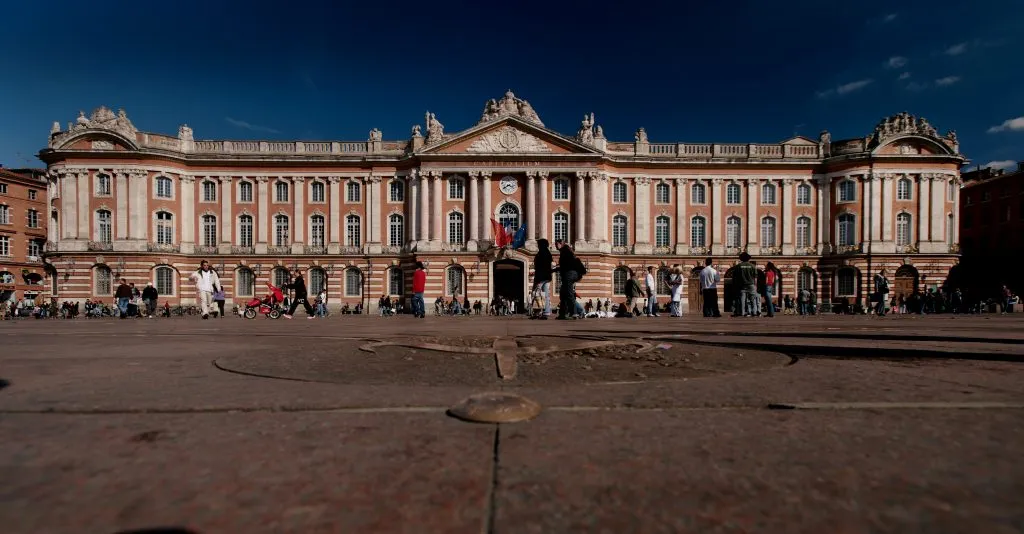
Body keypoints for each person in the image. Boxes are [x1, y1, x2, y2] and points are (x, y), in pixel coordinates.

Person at [554, 239, 585, 320]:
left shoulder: (565, 251)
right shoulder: (566, 251)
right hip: (570, 274)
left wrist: (555, 269)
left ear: (561, 244)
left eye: (556, 244)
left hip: (570, 274)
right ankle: (562, 314)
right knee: (563, 294)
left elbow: (566, 265)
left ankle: (574, 313)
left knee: (569, 293)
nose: (555, 246)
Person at [532, 238, 553, 319]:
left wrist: (537, 279)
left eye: (538, 244)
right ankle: (546, 311)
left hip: (541, 277)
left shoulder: (541, 253)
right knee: (546, 295)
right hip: (547, 277)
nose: (537, 245)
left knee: (536, 293)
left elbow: (539, 267)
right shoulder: (548, 253)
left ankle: (539, 311)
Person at [734, 252, 757, 317]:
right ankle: (754, 312)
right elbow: (755, 277)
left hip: (742, 285)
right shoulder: (753, 266)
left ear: (741, 258)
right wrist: (755, 285)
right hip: (751, 284)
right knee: (753, 299)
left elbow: (736, 277)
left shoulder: (738, 266)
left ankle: (742, 312)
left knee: (742, 300)